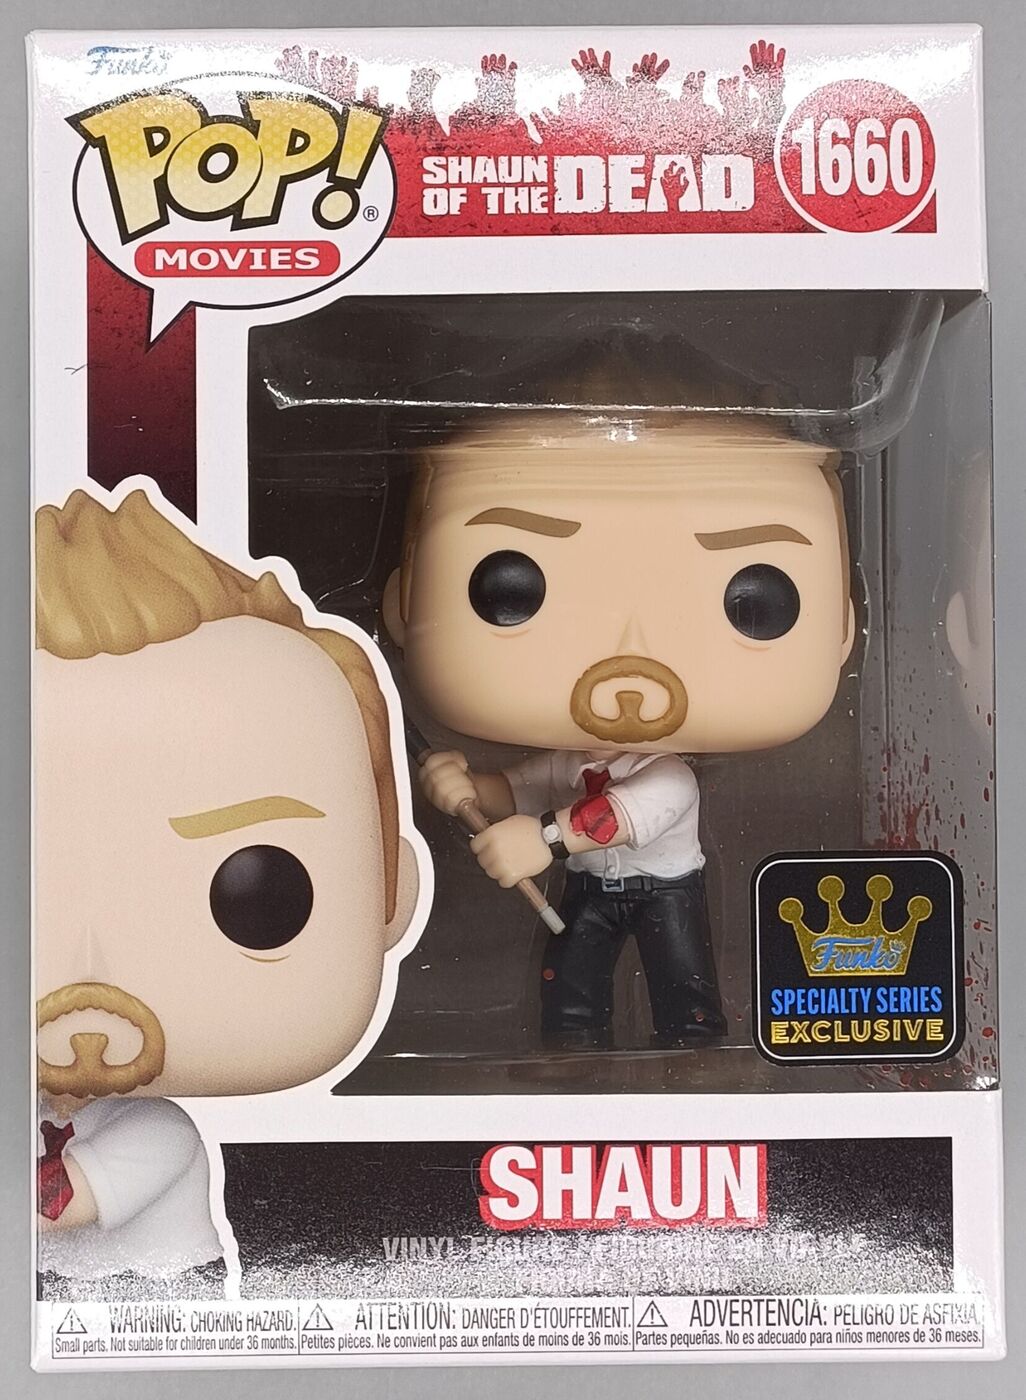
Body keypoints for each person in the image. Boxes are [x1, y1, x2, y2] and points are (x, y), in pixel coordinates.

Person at [35, 486, 422, 1294]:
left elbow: (56, 1207)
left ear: (391, 893)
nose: (87, 1010)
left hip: (156, 1306)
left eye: (260, 899)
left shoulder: (157, 1134)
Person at [384, 402, 853, 1049]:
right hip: (590, 887)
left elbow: (612, 817)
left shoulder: (670, 777)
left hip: (667, 893)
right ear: (403, 602)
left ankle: (693, 1053)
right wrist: (462, 785)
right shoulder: (569, 763)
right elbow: (517, 790)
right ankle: (571, 1052)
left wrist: (543, 840)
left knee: (684, 988)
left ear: (843, 625)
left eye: (757, 601)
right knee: (569, 984)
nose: (627, 688)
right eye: (509, 589)